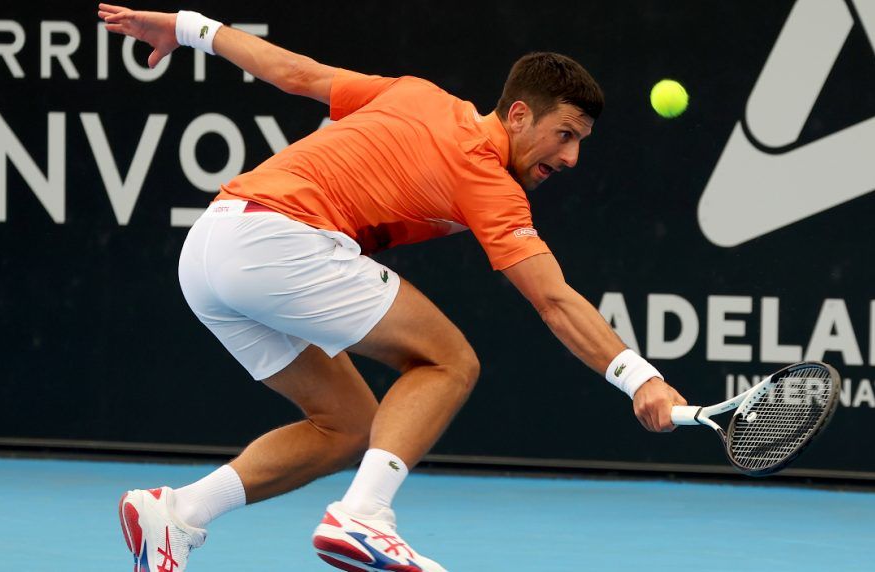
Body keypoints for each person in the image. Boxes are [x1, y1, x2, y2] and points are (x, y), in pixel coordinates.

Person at [99, 3, 688, 571]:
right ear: (516, 116)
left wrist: (189, 27)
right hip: (276, 243)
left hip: (208, 246)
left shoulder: (417, 94)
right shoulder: (487, 179)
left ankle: (176, 513)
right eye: (564, 135)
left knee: (348, 425)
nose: (572, 156)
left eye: (580, 140)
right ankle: (364, 515)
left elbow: (293, 73)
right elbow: (553, 299)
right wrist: (643, 380)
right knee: (449, 362)